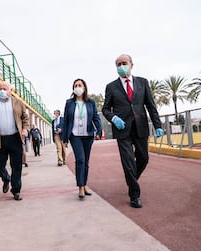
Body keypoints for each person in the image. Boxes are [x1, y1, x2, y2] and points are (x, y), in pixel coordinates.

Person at [102, 54, 164, 208]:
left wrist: (157, 125)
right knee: (128, 161)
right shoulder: (111, 86)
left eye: (124, 63)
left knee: (143, 158)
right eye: (118, 64)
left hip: (140, 126)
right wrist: (113, 118)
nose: (121, 66)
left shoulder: (142, 82)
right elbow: (105, 109)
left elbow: (150, 105)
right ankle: (134, 195)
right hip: (122, 129)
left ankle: (131, 180)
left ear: (131, 65)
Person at [0, 81, 29, 201]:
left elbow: (25, 118)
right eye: (0, 89)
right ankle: (6, 178)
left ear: (10, 91)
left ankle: (16, 190)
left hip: (15, 138)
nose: (1, 91)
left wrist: (25, 129)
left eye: (4, 89)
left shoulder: (18, 103)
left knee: (17, 166)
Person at [61, 79, 102, 199]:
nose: (77, 87)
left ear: (84, 87)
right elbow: (66, 120)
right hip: (75, 135)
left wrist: (99, 130)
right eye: (75, 85)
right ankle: (80, 187)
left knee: (86, 162)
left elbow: (95, 117)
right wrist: (64, 139)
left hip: (88, 135)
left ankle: (84, 185)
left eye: (79, 85)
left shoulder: (91, 102)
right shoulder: (69, 103)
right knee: (80, 160)